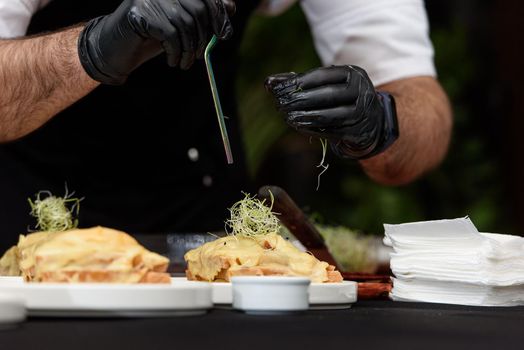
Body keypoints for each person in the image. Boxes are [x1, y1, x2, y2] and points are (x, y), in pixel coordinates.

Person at [0, 0, 452, 252]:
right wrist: (96, 47)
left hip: (212, 252)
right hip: (31, 252)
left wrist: (383, 120)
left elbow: (422, 107)